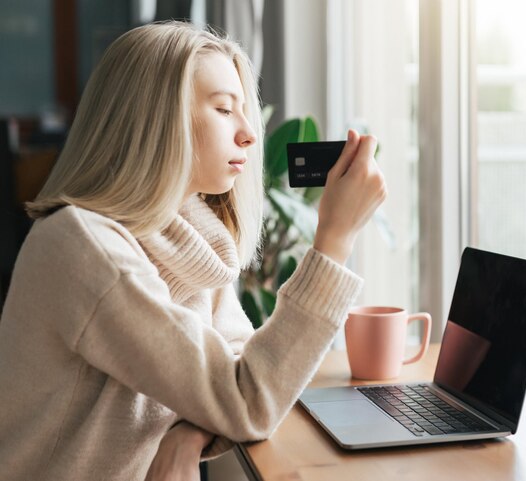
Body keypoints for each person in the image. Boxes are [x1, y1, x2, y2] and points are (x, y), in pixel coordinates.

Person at [0, 21, 386, 481]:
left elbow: (245, 372)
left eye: (245, 111)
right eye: (224, 109)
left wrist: (188, 433)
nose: (249, 133)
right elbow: (249, 399)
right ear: (154, 119)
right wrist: (334, 241)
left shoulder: (194, 245)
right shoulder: (83, 248)